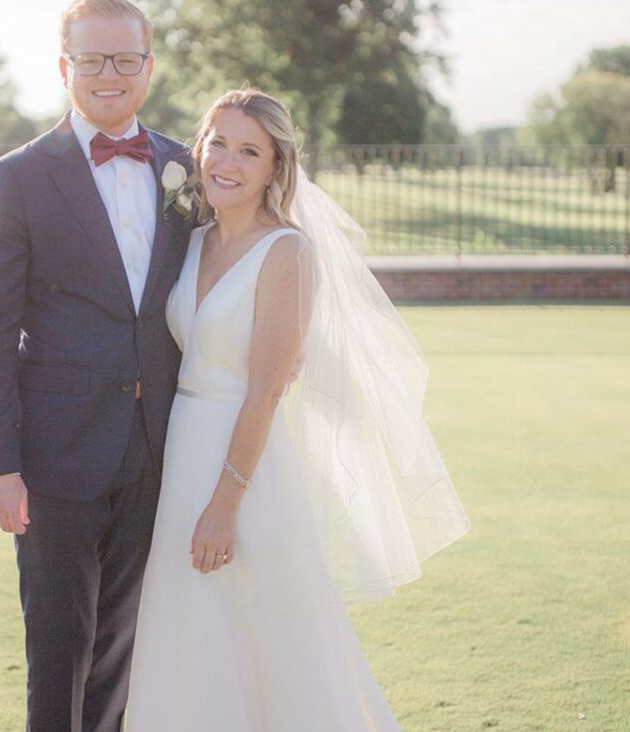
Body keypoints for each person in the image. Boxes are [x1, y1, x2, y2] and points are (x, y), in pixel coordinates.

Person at [124, 89, 471, 730]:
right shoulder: (192, 242)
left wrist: (225, 505)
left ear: (275, 167)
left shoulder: (287, 252)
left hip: (245, 470)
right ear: (198, 149)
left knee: (274, 642)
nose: (227, 161)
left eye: (249, 150)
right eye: (218, 143)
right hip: (182, 454)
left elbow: (268, 388)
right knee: (190, 628)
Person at [0, 1, 195, 729]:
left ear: (149, 68)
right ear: (65, 68)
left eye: (126, 59)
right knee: (59, 650)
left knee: (123, 651)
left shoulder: (183, 167)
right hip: (54, 457)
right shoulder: (21, 175)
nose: (108, 75)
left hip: (157, 449)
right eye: (90, 59)